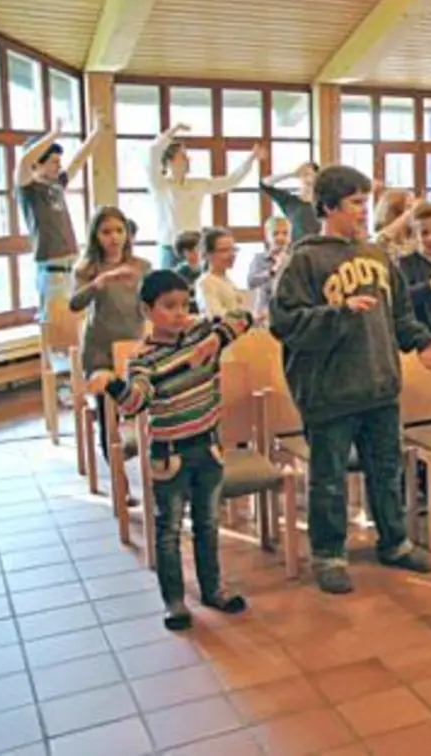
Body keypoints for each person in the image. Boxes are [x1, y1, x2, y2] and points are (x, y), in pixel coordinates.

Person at [271, 166, 431, 594]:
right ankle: (329, 555)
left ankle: (395, 541)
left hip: (380, 384)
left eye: (366, 204)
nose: (364, 213)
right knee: (328, 479)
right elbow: (284, 323)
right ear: (328, 207)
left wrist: (421, 341)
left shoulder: (377, 256)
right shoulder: (304, 259)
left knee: (385, 471)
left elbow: (400, 314)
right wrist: (340, 311)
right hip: (330, 393)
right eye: (355, 205)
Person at [86, 270, 251, 630]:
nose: (180, 313)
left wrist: (216, 338)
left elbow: (244, 317)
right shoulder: (143, 358)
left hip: (208, 448)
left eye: (184, 304)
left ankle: (213, 589)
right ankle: (174, 601)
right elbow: (134, 404)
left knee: (208, 524)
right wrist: (112, 384)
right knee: (169, 530)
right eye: (169, 306)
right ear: (147, 311)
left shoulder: (201, 332)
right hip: (170, 455)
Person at [69, 207, 153, 507]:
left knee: (150, 404)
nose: (114, 238)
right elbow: (74, 304)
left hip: (135, 347)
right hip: (99, 350)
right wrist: (97, 284)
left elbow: (155, 302)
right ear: (96, 236)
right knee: (109, 415)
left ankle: (158, 471)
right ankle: (120, 483)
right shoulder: (85, 268)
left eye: (119, 230)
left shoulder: (142, 265)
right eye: (106, 232)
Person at [16, 117, 108, 318]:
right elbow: (24, 161)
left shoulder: (56, 185)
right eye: (54, 162)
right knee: (56, 332)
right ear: (37, 165)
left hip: (72, 268)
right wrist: (54, 134)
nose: (59, 166)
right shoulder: (28, 189)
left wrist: (97, 131)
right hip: (52, 273)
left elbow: (78, 160)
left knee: (77, 324)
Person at [146, 125, 259, 268]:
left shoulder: (197, 184)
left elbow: (229, 182)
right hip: (171, 249)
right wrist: (174, 130)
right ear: (169, 162)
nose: (188, 159)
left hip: (196, 248)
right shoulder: (160, 185)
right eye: (183, 156)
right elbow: (153, 151)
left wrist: (251, 158)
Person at [398, 203, 431, 342]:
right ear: (415, 235)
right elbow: (403, 298)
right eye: (424, 233)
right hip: (421, 341)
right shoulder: (405, 264)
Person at [246, 216, 291, 326]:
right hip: (263, 317)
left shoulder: (294, 260)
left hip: (287, 317)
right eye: (275, 233)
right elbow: (251, 283)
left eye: (285, 233)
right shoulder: (259, 259)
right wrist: (272, 271)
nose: (280, 238)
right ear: (267, 237)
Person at [192, 227, 246, 319]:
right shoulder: (206, 282)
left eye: (233, 249)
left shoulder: (226, 280)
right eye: (224, 250)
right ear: (207, 254)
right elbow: (215, 315)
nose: (231, 254)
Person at [260, 162, 322, 240]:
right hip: (295, 250)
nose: (308, 178)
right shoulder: (289, 201)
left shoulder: (324, 204)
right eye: (304, 174)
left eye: (310, 174)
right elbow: (264, 184)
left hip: (319, 249)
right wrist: (292, 174)